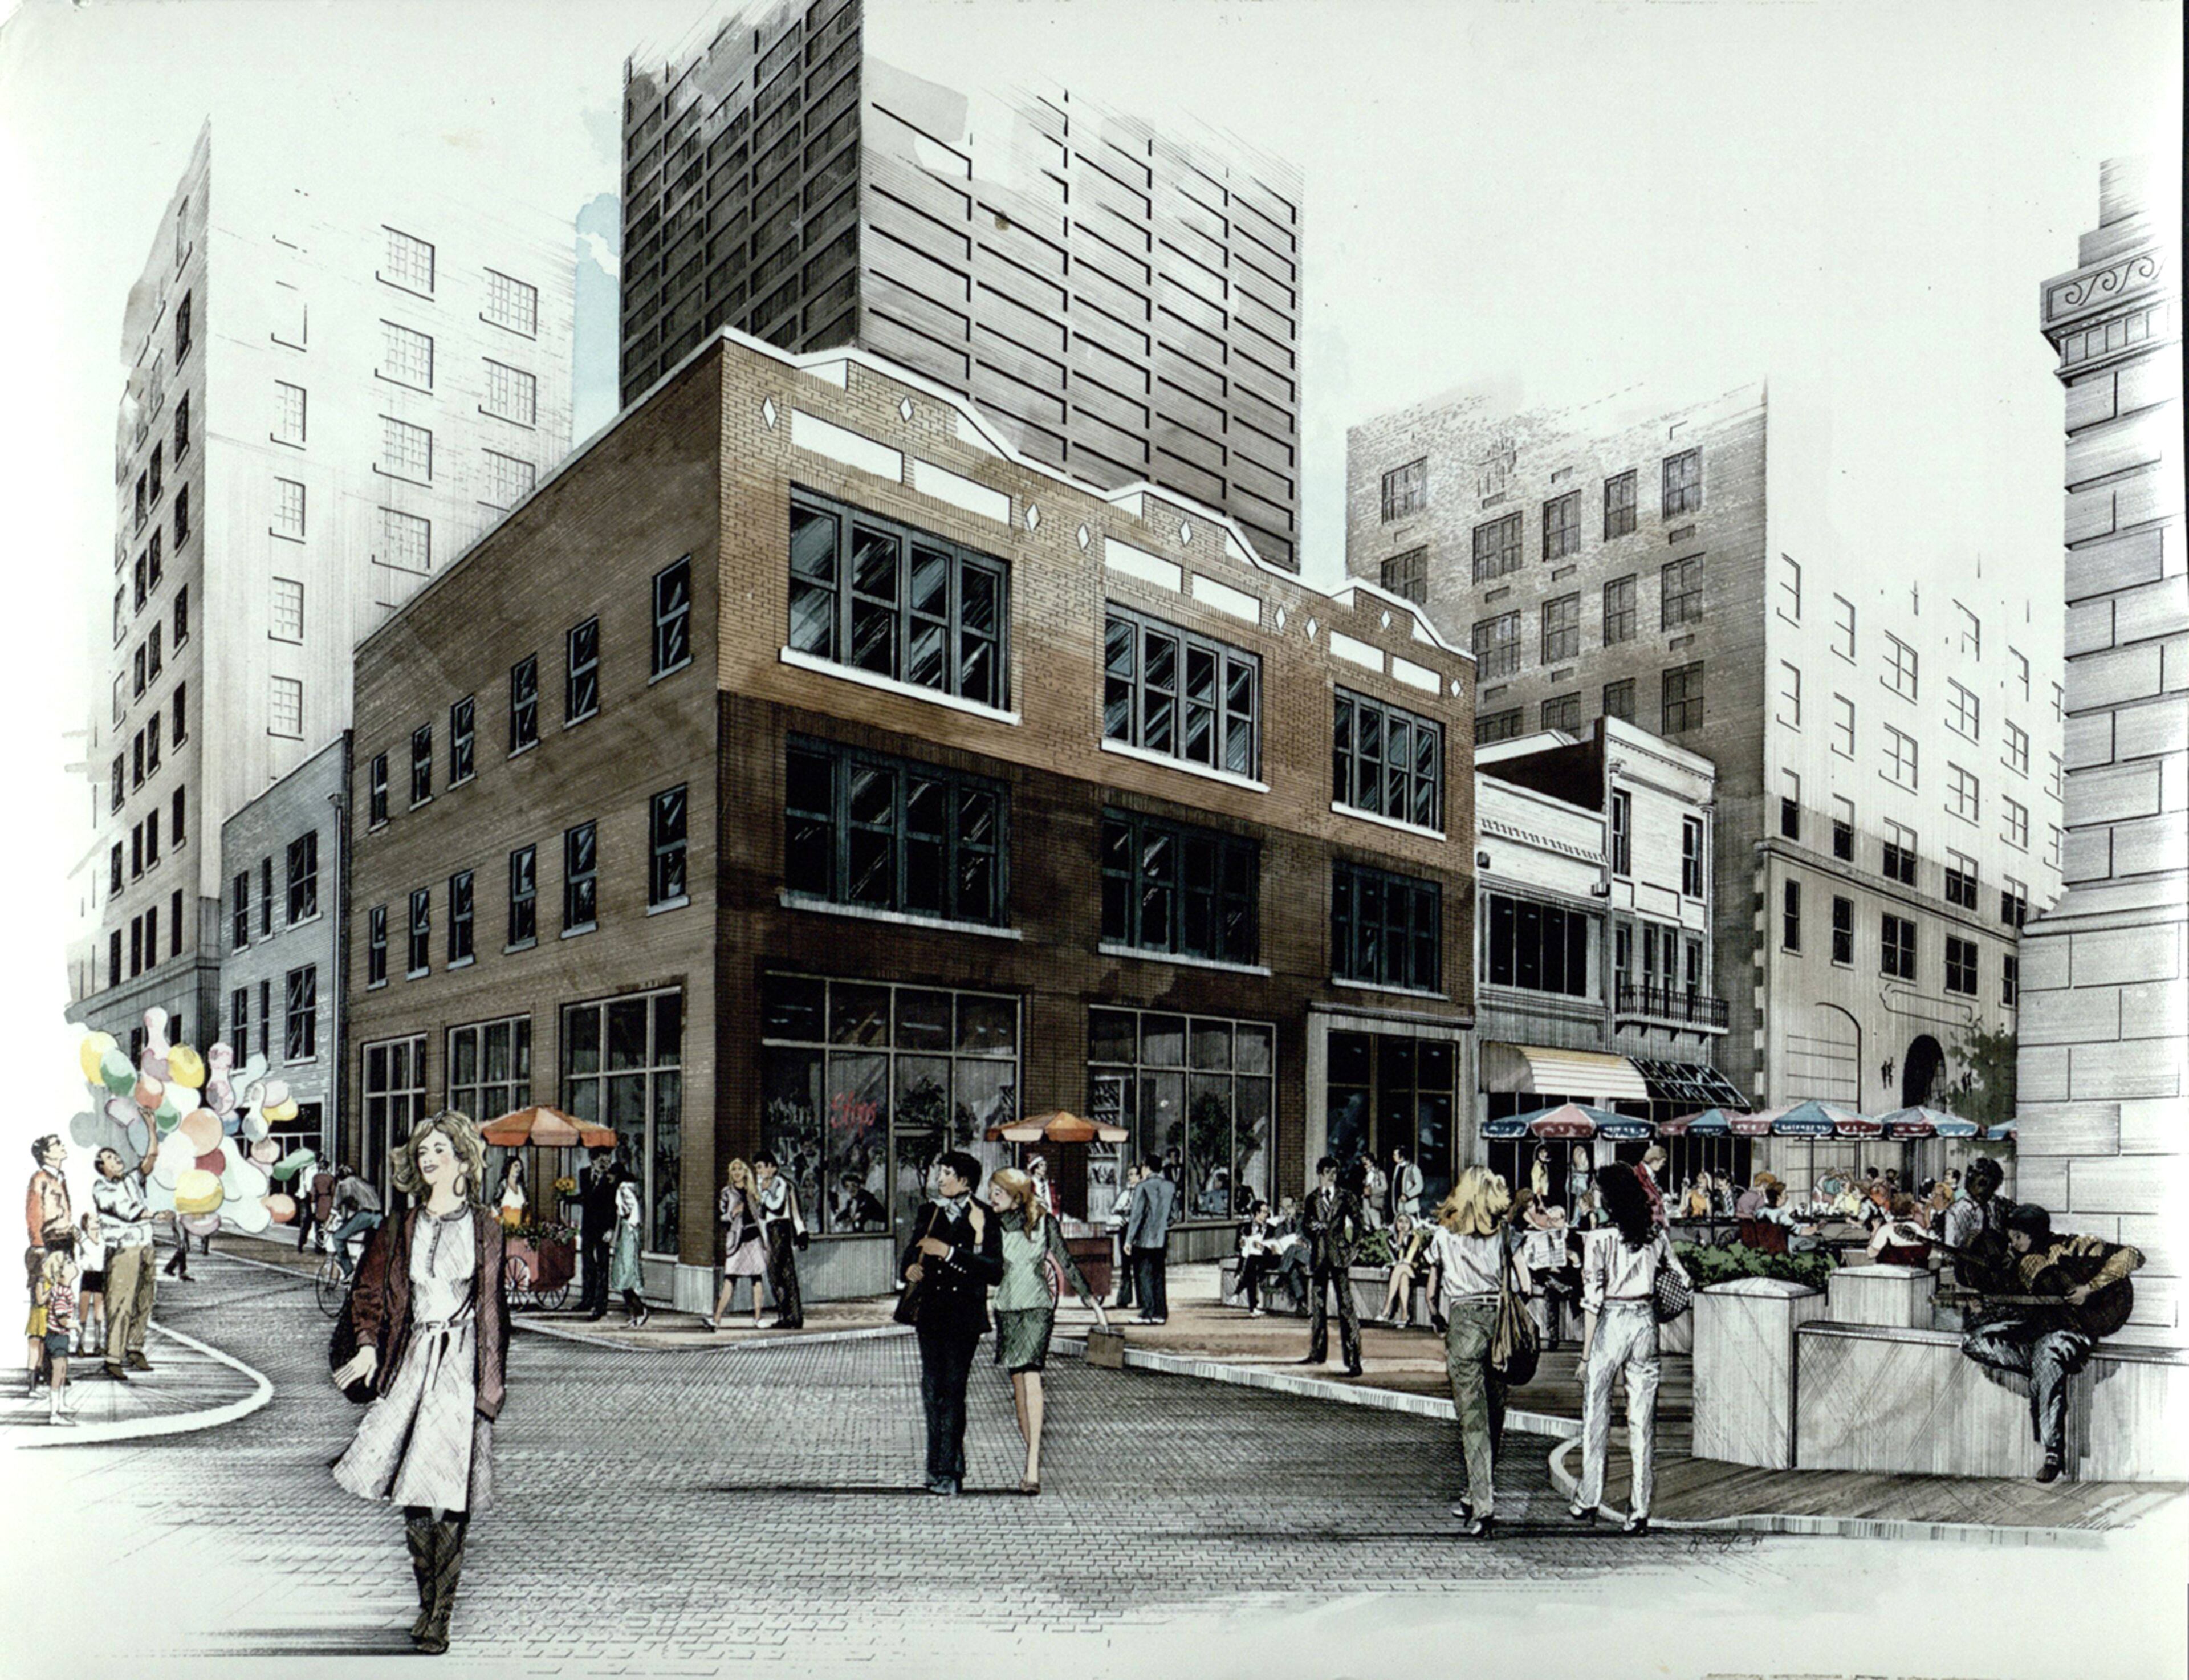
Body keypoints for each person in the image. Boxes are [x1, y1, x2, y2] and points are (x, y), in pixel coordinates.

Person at [331, 1110, 511, 1655]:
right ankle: (425, 1600)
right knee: (413, 1484)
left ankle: (442, 1613)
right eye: (422, 1151)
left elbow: (496, 1312)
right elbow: (370, 1293)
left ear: (463, 1156)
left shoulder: (487, 1226)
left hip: (462, 1365)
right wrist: (366, 1347)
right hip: (414, 1362)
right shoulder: (400, 1225)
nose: (427, 1159)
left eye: (438, 1149)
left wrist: (491, 1384)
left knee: (453, 1490)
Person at [1960, 1202, 2144, 1482]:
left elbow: (2132, 1256)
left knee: (2048, 1355)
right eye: (2011, 1236)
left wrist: (2089, 1288)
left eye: (2019, 1236)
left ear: (2036, 1233)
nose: (2013, 1242)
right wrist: (1981, 1308)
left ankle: (2052, 1452)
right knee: (1974, 1341)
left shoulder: (2075, 1247)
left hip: (2073, 1329)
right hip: (2037, 1328)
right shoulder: (2017, 1265)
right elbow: (2012, 1306)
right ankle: (2041, 1367)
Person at [1570, 1163, 1689, 1535]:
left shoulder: (1599, 1238)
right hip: (1645, 1322)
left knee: (1596, 1411)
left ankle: (1589, 1497)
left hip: (1611, 1321)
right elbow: (1684, 1279)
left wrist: (1586, 1355)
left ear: (1608, 1197)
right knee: (1642, 1420)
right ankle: (1639, 1509)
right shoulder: (1655, 1235)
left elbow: (1592, 1302)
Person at [987, 1166, 1106, 1495]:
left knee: (1031, 1375)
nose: (991, 1198)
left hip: (1037, 1308)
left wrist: (1090, 1301)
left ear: (1016, 1195)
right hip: (1007, 1308)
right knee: (1018, 1386)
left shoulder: (1044, 1223)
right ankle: (1030, 1456)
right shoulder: (992, 1225)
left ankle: (1033, 1465)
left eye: (998, 1192)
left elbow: (1066, 1261)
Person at [1425, 1167, 1525, 1539]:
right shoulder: (1503, 1234)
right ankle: (1476, 1491)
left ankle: (1482, 1503)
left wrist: (1436, 1316)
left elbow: (1431, 1289)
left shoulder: (1443, 1235)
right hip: (1498, 1322)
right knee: (1496, 1411)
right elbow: (1525, 1281)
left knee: (1472, 1418)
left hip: (1464, 1319)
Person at [899, 1150, 1003, 1495]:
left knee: (954, 1391)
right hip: (929, 1313)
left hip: (964, 1316)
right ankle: (936, 1468)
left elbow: (995, 1271)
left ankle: (951, 1471)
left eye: (947, 1173)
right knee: (932, 1390)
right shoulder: (929, 1211)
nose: (940, 1179)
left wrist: (950, 1254)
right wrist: (909, 1270)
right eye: (939, 1172)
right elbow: (910, 1254)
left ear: (966, 1181)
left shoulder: (984, 1217)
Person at [91, 1142, 157, 1381]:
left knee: (144, 1301)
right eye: (110, 1157)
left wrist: (151, 1127)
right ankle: (113, 1359)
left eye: (116, 1155)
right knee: (121, 1304)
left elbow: (150, 1158)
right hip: (123, 1250)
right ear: (102, 1167)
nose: (117, 1159)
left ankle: (135, 1348)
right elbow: (126, 1210)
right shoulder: (102, 1188)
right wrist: (156, 1215)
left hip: (145, 1246)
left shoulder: (131, 1179)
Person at [1297, 1156, 1364, 1376]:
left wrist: (1352, 1249)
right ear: (1320, 1174)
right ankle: (1317, 1353)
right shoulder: (1312, 1199)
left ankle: (1354, 1359)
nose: (1331, 1176)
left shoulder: (1346, 1197)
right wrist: (1313, 1228)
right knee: (1317, 1306)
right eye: (1328, 1172)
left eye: (1334, 1172)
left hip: (1339, 1256)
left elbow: (1359, 1224)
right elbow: (1305, 1225)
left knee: (1346, 1306)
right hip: (1319, 1258)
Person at [710, 1160, 768, 1331]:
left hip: (754, 1238)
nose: (736, 1173)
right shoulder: (727, 1193)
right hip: (737, 1240)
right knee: (730, 1278)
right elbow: (721, 1217)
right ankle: (717, 1318)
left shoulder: (752, 1192)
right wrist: (733, 1212)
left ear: (745, 1172)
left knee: (757, 1278)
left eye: (739, 1170)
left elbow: (761, 1214)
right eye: (733, 1170)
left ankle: (758, 1318)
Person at [1942, 1156, 2016, 1291]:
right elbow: (1951, 1252)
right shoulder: (1957, 1211)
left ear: (1997, 1183)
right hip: (1971, 1277)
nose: (1983, 1184)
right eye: (1978, 1178)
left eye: (1989, 1179)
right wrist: (1966, 1246)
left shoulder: (2004, 1206)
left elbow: (2019, 1236)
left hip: (2003, 1276)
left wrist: (2011, 1254)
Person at [753, 1152, 807, 1329]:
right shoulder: (767, 1184)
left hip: (780, 1229)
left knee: (778, 1275)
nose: (759, 1172)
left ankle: (789, 1316)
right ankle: (790, 1316)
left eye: (761, 1167)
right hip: (772, 1231)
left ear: (772, 1167)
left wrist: (765, 1194)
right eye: (757, 1169)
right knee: (783, 1275)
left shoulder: (780, 1184)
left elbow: (776, 1207)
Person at [1124, 1153, 1177, 1325]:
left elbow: (1136, 1216)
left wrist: (1128, 1239)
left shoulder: (1143, 1187)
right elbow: (1174, 1215)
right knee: (1159, 1275)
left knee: (1144, 1275)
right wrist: (1162, 1225)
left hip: (1144, 1239)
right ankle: (1160, 1313)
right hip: (1161, 1238)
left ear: (1146, 1167)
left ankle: (1147, 1313)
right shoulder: (1170, 1187)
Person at [32, 1248, 78, 1424]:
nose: (73, 1264)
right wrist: (74, 1325)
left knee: (63, 1370)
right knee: (58, 1373)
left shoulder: (58, 1289)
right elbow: (62, 1319)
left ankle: (61, 1404)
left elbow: (43, 1300)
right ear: (60, 1273)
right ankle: (54, 1414)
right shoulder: (61, 1293)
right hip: (58, 1336)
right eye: (68, 1263)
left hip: (58, 1336)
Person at [577, 1146, 621, 1321]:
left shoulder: (612, 1179)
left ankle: (600, 1306)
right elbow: (585, 1198)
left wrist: (611, 1229)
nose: (605, 1165)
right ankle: (586, 1301)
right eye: (602, 1161)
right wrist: (565, 1197)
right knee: (588, 1264)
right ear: (593, 1160)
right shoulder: (584, 1174)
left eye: (608, 1161)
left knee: (603, 1266)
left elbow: (613, 1206)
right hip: (588, 1227)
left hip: (603, 1229)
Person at [329, 1166, 386, 1280]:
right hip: (379, 1216)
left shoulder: (344, 1184)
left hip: (366, 1215)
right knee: (369, 1248)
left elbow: (336, 1207)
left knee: (338, 1238)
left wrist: (326, 1226)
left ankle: (349, 1271)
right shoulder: (362, 1182)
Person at [1376, 1209, 1430, 1328]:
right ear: (1396, 1223)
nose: (1403, 1225)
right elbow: (1393, 1259)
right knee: (1403, 1277)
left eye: (1406, 1222)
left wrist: (1401, 1245)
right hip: (1401, 1272)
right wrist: (1399, 1242)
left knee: (1402, 1269)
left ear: (1410, 1224)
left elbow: (1409, 1260)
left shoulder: (1415, 1238)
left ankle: (1386, 1308)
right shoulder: (1390, 1239)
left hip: (1414, 1269)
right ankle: (1405, 1314)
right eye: (1400, 1221)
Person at [610, 1171, 649, 1327]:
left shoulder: (623, 1189)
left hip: (628, 1233)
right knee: (626, 1276)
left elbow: (627, 1210)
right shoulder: (630, 1189)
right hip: (630, 1233)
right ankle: (635, 1313)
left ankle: (639, 1311)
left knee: (625, 1274)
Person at [1105, 1164, 1138, 1313]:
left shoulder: (1141, 1192)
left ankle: (1141, 1298)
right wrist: (1120, 1214)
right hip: (1124, 1229)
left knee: (1138, 1266)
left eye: (1133, 1175)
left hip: (1138, 1231)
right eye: (1129, 1175)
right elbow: (1114, 1209)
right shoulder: (1125, 1194)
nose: (1130, 1178)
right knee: (1126, 1265)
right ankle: (1124, 1298)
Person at [1867, 1193, 1934, 1267]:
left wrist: (1875, 1230)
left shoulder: (1885, 1230)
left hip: (1891, 1273)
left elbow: (1871, 1254)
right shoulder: (1919, 1229)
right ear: (1912, 1210)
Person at [73, 1210, 107, 1359]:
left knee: (99, 1313)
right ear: (86, 1224)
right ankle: (80, 1344)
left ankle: (98, 1345)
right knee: (83, 1312)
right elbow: (78, 1258)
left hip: (100, 1275)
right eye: (94, 1220)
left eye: (98, 1219)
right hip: (88, 1275)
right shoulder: (83, 1241)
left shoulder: (104, 1239)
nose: (97, 1221)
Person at [1389, 1144, 1425, 1224]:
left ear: (1402, 1156)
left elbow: (1420, 1186)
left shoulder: (1413, 1169)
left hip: (1410, 1209)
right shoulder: (1397, 1168)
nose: (1393, 1157)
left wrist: (1408, 1195)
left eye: (1396, 1155)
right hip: (1399, 1209)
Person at [1636, 1145, 1670, 1228]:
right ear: (1655, 1160)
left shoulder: (1650, 1175)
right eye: (1663, 1162)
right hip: (1645, 1224)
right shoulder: (1638, 1174)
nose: (1663, 1165)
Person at [1027, 1154, 1063, 1221]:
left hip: (1051, 1217)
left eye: (1046, 1165)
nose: (1044, 1168)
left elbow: (1055, 1203)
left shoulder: (1050, 1185)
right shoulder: (1030, 1184)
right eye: (1041, 1165)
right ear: (1035, 1168)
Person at [496, 1155, 527, 1232]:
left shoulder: (521, 1187)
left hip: (519, 1228)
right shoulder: (503, 1185)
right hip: (505, 1229)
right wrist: (502, 1223)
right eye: (516, 1166)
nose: (519, 1168)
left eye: (520, 1166)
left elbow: (526, 1207)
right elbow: (495, 1206)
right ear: (509, 1167)